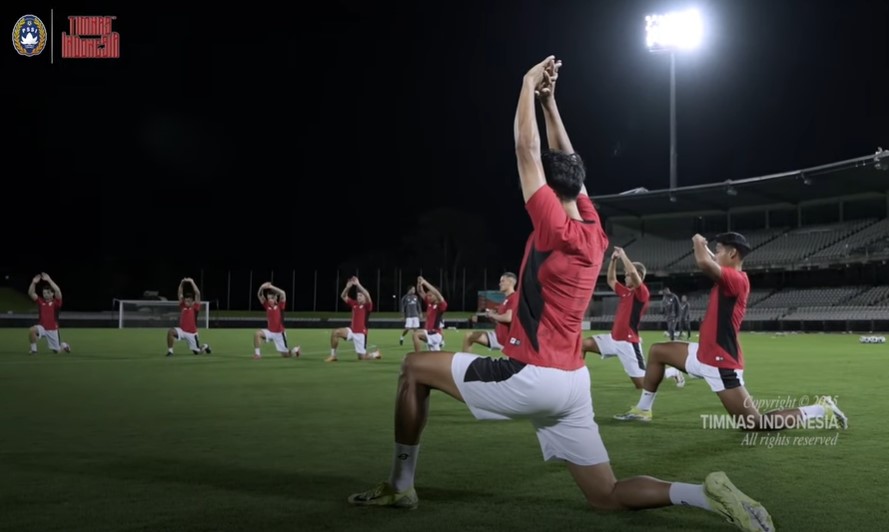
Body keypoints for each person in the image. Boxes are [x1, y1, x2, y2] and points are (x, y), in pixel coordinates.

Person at [347, 56, 774, 532]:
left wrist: (527, 84)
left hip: (531, 374)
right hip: (572, 384)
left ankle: (400, 485)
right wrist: (550, 103)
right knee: (606, 496)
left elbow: (526, 151)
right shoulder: (593, 227)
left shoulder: (553, 225)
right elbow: (567, 163)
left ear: (549, 189)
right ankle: (701, 494)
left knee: (412, 369)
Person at [615, 232, 847, 435]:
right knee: (658, 351)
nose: (714, 254)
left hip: (721, 363)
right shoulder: (730, 275)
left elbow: (705, 263)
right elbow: (712, 260)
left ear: (733, 253)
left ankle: (820, 409)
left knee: (753, 424)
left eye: (719, 250)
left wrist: (697, 241)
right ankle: (643, 410)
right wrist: (708, 248)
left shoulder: (736, 279)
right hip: (702, 354)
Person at [581, 249, 684, 389]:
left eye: (627, 275)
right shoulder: (625, 292)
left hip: (627, 343)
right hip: (613, 339)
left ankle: (671, 371)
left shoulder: (642, 293)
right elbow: (611, 280)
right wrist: (613, 260)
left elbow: (634, 274)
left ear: (638, 276)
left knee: (641, 384)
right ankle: (578, 382)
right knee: (583, 345)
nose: (625, 277)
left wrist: (623, 255)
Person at [327, 276, 380, 361]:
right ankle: (333, 355)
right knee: (335, 332)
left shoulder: (368, 306)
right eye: (358, 295)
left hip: (360, 334)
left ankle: (375, 354)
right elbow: (343, 296)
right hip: (351, 330)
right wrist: (347, 287)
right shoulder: (354, 304)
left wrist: (358, 284)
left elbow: (367, 294)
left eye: (361, 296)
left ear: (365, 298)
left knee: (362, 357)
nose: (359, 297)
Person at [462, 272, 517, 353]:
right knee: (469, 336)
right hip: (498, 335)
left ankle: (465, 363)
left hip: (506, 339)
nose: (500, 284)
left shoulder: (514, 297)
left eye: (502, 281)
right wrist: (489, 316)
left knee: (469, 336)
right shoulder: (506, 300)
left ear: (510, 282)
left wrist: (492, 315)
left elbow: (508, 318)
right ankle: (465, 363)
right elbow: (500, 320)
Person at [253, 282, 300, 359]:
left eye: (271, 298)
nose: (269, 300)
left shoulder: (280, 305)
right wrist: (262, 287)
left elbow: (283, 293)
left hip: (279, 333)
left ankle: (296, 350)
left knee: (286, 355)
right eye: (268, 298)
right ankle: (257, 355)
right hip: (270, 332)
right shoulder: (266, 305)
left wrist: (271, 286)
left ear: (275, 298)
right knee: (257, 334)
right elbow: (259, 295)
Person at [166, 277, 211, 356]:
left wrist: (192, 282)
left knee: (197, 352)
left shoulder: (195, 308)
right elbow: (179, 293)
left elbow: (198, 293)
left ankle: (205, 346)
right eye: (185, 300)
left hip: (192, 333)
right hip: (182, 331)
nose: (186, 302)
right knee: (171, 332)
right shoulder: (183, 306)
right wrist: (182, 283)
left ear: (192, 302)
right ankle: (170, 351)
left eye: (188, 301)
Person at [27, 272, 70, 354]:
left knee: (56, 351)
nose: (46, 295)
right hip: (42, 327)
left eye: (48, 293)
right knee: (32, 330)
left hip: (52, 329)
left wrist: (49, 280)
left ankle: (64, 345)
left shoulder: (56, 303)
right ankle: (33, 350)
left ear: (52, 294)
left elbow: (58, 290)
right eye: (44, 293)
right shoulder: (41, 301)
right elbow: (31, 293)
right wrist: (33, 283)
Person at [412, 276, 448, 352]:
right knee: (435, 358)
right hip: (430, 333)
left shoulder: (441, 305)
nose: (428, 297)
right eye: (427, 296)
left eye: (430, 295)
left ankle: (417, 357)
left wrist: (425, 282)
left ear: (436, 296)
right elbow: (420, 291)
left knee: (416, 334)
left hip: (435, 334)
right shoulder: (430, 304)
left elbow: (437, 293)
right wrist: (419, 283)